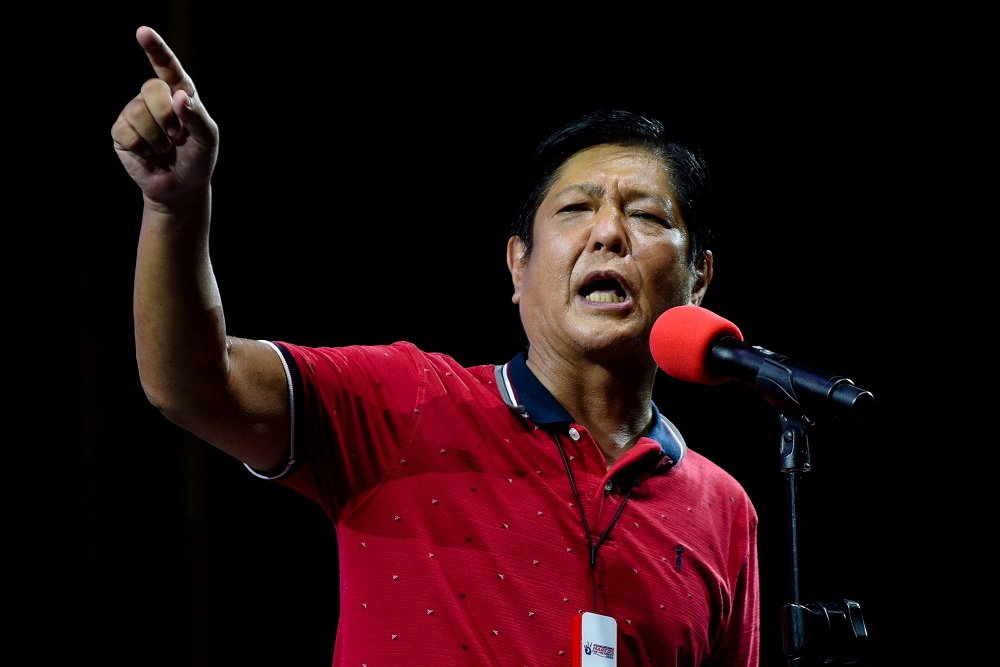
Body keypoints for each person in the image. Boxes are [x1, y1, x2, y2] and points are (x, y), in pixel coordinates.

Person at [112, 25, 760, 667]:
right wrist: (175, 208)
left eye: (646, 214)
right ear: (517, 265)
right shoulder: (406, 400)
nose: (609, 233)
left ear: (699, 276)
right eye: (575, 209)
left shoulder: (725, 509)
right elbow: (193, 381)